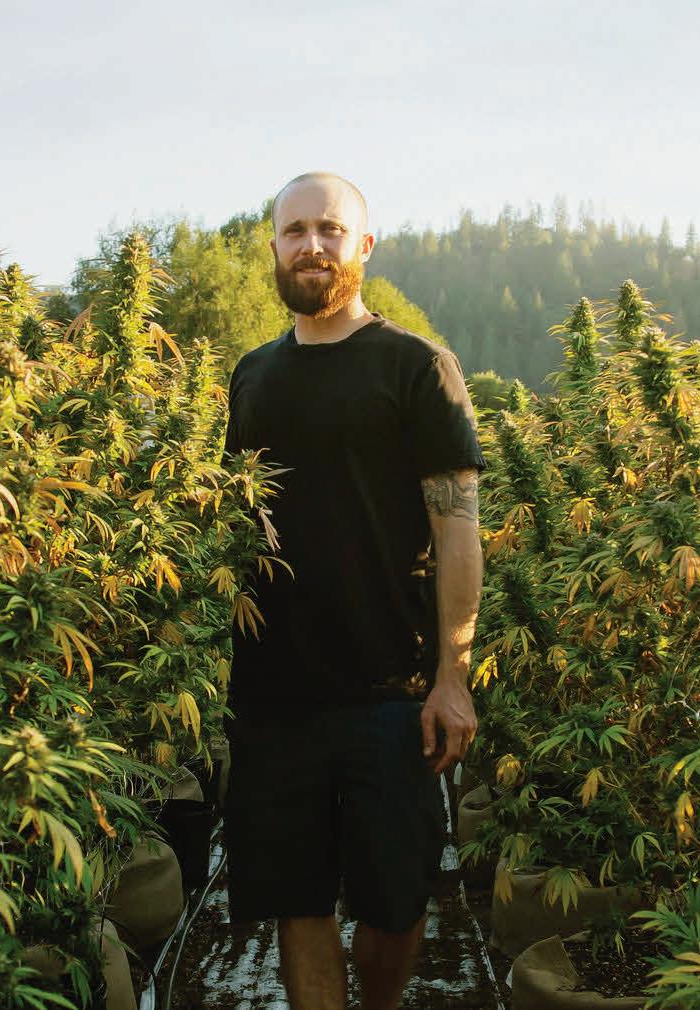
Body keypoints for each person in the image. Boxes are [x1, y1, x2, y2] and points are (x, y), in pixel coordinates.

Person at [220, 171, 486, 1010]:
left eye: (329, 230)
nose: (311, 246)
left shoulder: (416, 367)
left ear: (362, 246)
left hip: (392, 689)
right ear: (273, 247)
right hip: (273, 692)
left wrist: (451, 678)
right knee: (295, 899)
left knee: (393, 900)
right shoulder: (252, 376)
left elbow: (457, 528)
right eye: (294, 230)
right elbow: (240, 525)